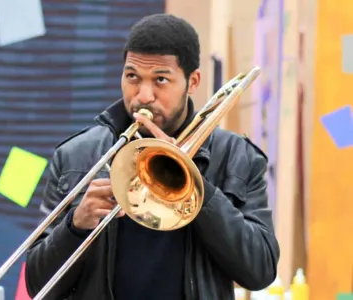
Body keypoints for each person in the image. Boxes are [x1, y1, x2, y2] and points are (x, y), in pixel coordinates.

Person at [25, 13, 280, 300]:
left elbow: (260, 270)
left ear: (193, 81)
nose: (143, 96)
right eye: (132, 76)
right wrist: (75, 225)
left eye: (161, 80)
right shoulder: (76, 156)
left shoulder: (236, 156)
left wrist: (198, 188)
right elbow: (37, 285)